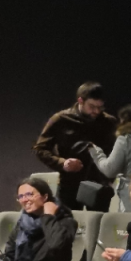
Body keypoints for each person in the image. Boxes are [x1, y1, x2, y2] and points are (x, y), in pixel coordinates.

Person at [32, 81, 118, 209]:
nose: (96, 111)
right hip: (70, 184)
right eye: (92, 106)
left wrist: (111, 177)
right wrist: (62, 163)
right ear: (80, 101)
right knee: (66, 225)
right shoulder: (60, 119)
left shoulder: (109, 122)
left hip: (99, 184)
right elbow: (40, 149)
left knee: (99, 226)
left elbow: (116, 152)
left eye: (100, 107)